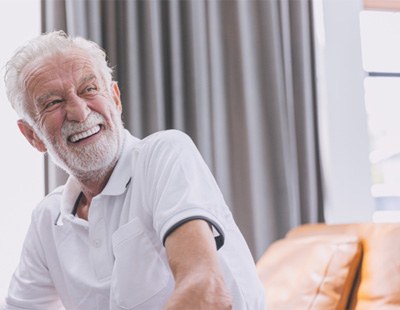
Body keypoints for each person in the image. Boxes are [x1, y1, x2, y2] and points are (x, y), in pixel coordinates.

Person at [3, 31, 265, 310]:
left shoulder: (164, 154)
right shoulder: (48, 220)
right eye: (53, 103)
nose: (79, 112)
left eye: (89, 89)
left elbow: (206, 291)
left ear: (115, 99)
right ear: (33, 136)